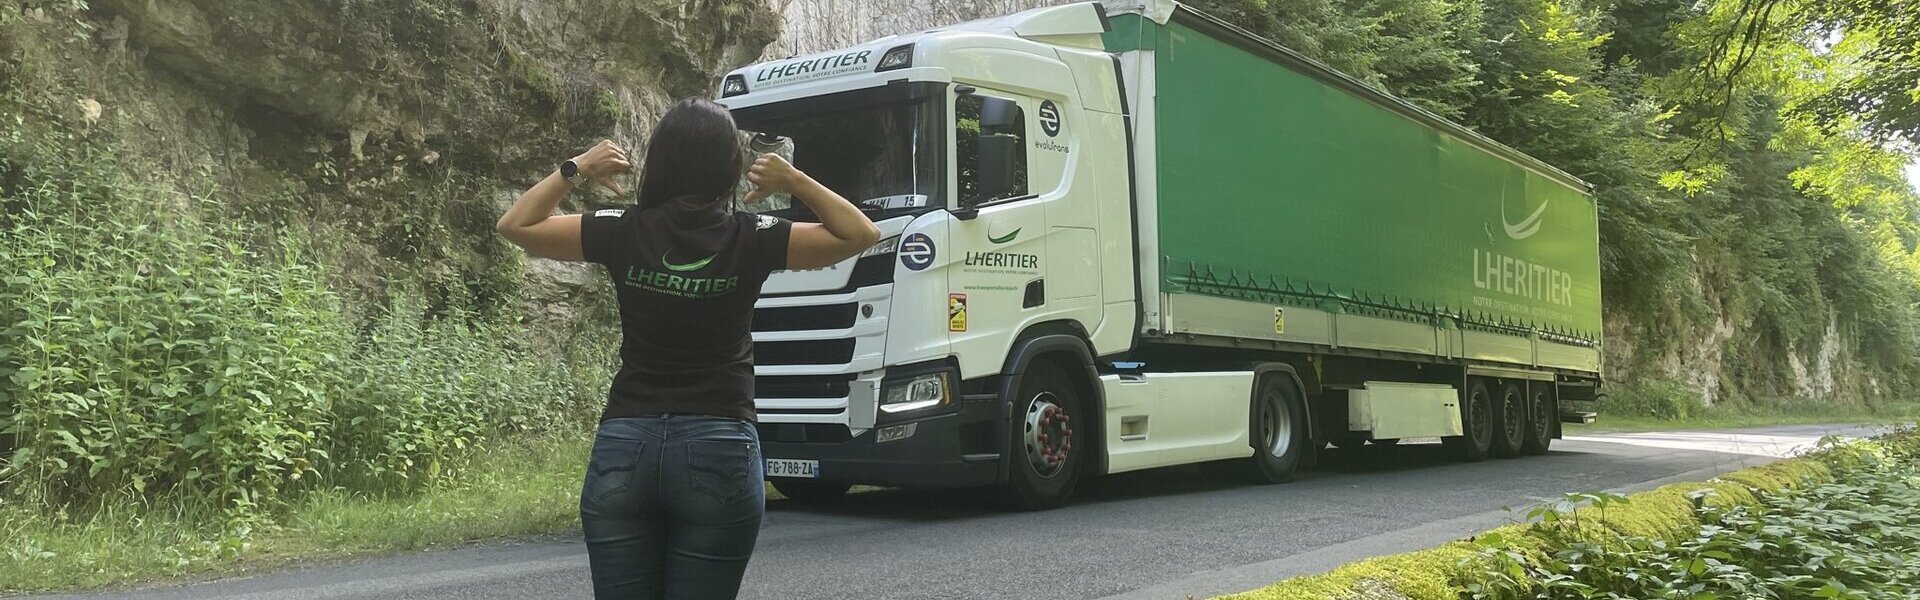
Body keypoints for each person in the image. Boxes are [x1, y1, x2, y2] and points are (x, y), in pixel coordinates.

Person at [495, 97, 881, 599]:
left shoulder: (623, 228)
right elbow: (860, 233)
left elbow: (516, 226)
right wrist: (792, 180)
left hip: (626, 443)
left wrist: (576, 169)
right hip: (720, 441)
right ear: (728, 168)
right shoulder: (753, 236)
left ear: (662, 159)